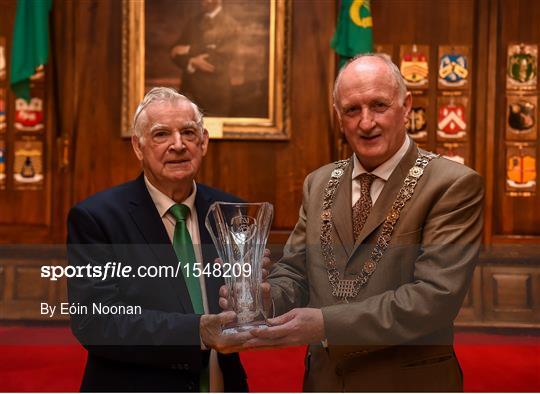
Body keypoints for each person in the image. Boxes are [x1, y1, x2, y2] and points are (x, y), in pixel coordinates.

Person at [239, 54, 484, 391]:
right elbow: (295, 272)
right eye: (352, 110)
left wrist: (326, 324)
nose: (366, 123)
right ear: (338, 116)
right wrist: (267, 298)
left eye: (379, 105)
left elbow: (434, 299)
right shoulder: (318, 183)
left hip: (409, 382)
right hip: (324, 382)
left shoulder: (451, 184)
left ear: (406, 105)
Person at [67, 87, 249, 392]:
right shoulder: (96, 218)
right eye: (161, 134)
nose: (178, 145)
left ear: (203, 142)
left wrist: (259, 298)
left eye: (188, 133)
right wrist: (197, 332)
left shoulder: (231, 212)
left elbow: (245, 307)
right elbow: (96, 322)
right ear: (138, 147)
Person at [170, 0, 238, 117]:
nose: (202, 1)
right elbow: (175, 52)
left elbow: (220, 61)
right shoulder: (193, 22)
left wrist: (190, 49)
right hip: (188, 93)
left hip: (215, 95)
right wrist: (191, 62)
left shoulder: (230, 25)